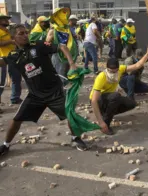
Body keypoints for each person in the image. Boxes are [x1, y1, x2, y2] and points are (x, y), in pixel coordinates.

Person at [0, 24, 88, 156]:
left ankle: (76, 138)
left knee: (70, 115)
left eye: (26, 33)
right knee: (16, 119)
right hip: (35, 95)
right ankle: (6, 145)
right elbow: (2, 62)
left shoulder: (38, 45)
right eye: (21, 34)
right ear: (13, 38)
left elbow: (62, 47)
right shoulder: (14, 55)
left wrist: (72, 64)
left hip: (55, 92)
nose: (25, 35)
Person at [90, 48, 148, 135]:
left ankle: (106, 113)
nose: (113, 74)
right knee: (116, 96)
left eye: (115, 71)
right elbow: (94, 100)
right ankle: (106, 123)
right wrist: (100, 122)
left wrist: (147, 54)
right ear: (106, 68)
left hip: (109, 98)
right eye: (110, 71)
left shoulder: (121, 69)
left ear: (118, 69)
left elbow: (137, 65)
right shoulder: (101, 77)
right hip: (99, 101)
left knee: (131, 103)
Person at [46, 8, 78, 83]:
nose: (64, 17)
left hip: (68, 57)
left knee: (66, 78)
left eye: (64, 15)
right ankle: (60, 94)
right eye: (61, 15)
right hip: (59, 57)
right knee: (60, 78)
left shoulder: (66, 29)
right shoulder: (54, 30)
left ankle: (63, 93)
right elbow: (47, 43)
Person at [0, 14, 22, 107]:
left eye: (7, 19)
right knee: (1, 82)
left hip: (13, 57)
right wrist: (11, 42)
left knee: (16, 78)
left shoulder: (8, 31)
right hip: (2, 59)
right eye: (4, 19)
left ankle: (15, 98)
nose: (7, 21)